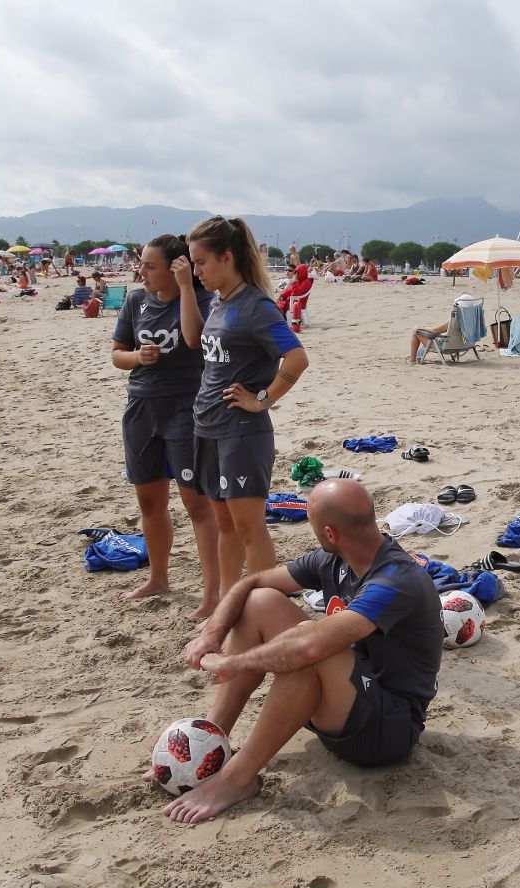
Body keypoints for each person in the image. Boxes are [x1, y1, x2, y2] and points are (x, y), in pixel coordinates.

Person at [150, 479, 443, 824]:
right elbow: (250, 584)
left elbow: (311, 646)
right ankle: (208, 743)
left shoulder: (396, 580)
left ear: (330, 533)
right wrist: (211, 635)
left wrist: (233, 662)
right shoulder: (335, 558)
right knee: (260, 602)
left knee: (309, 647)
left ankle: (237, 779)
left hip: (388, 731)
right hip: (347, 698)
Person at [180, 215, 309, 614]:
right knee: (225, 525)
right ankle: (225, 603)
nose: (197, 270)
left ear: (227, 257)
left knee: (250, 528)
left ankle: (263, 614)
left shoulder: (255, 305)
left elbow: (297, 357)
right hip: (210, 427)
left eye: (201, 262)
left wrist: (263, 399)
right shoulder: (222, 303)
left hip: (242, 431)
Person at [110, 235, 223, 605]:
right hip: (141, 410)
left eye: (150, 266)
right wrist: (138, 358)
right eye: (142, 263)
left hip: (185, 410)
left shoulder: (203, 297)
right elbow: (117, 355)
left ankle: (211, 593)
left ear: (177, 267)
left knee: (197, 505)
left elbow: (194, 341)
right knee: (150, 504)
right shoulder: (135, 300)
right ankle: (158, 578)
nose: (141, 271)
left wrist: (186, 287)